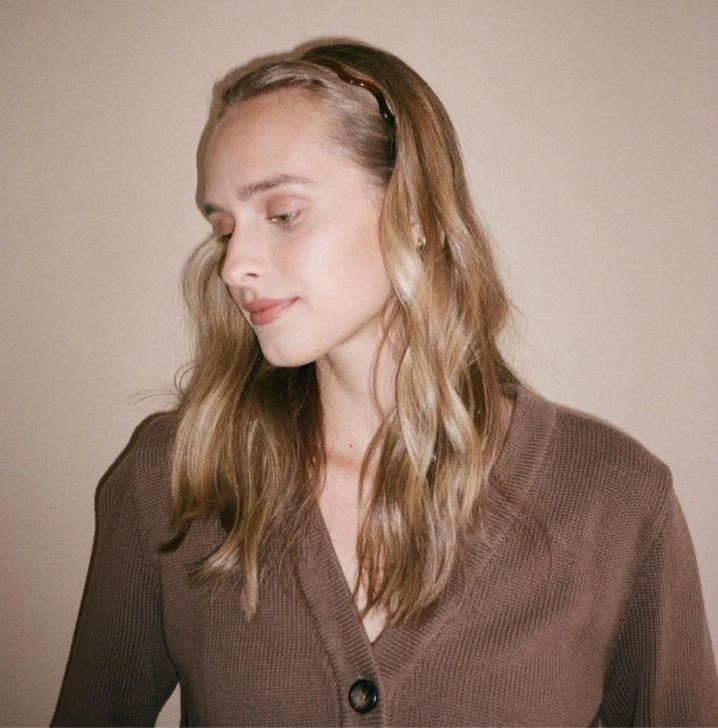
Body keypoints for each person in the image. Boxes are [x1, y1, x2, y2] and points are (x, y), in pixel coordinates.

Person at [52, 40, 718, 727]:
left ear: (414, 211)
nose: (234, 265)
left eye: (282, 214)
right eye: (224, 229)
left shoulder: (614, 500)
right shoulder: (177, 478)